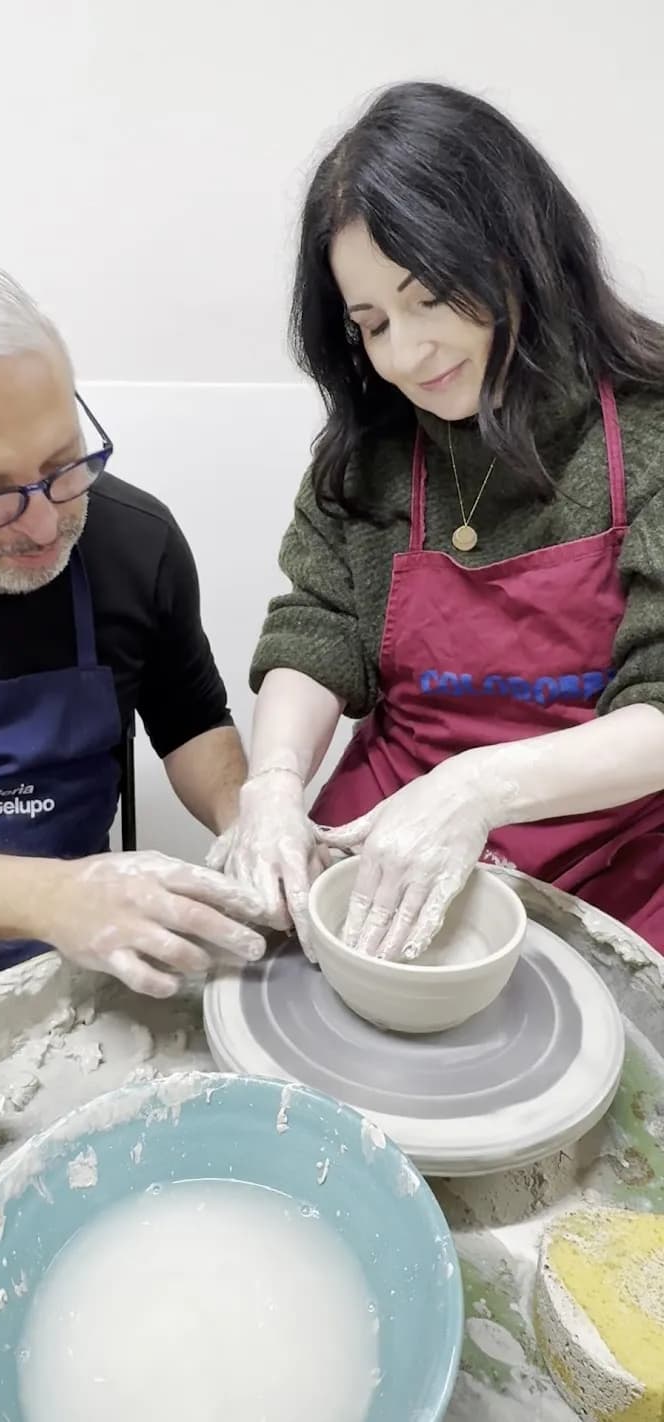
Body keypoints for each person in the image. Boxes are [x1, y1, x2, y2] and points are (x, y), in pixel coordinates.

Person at [210, 81, 664, 961]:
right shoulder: (373, 445)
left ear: (518, 254)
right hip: (386, 824)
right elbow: (318, 628)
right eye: (372, 323)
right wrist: (271, 785)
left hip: (615, 852)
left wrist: (478, 789)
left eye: (429, 300)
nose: (406, 356)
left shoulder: (649, 431)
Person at [0, 247, 265, 1095]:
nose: (45, 525)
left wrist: (251, 814)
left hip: (67, 960)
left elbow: (191, 721)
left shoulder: (134, 541)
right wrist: (49, 896)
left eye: (61, 464)